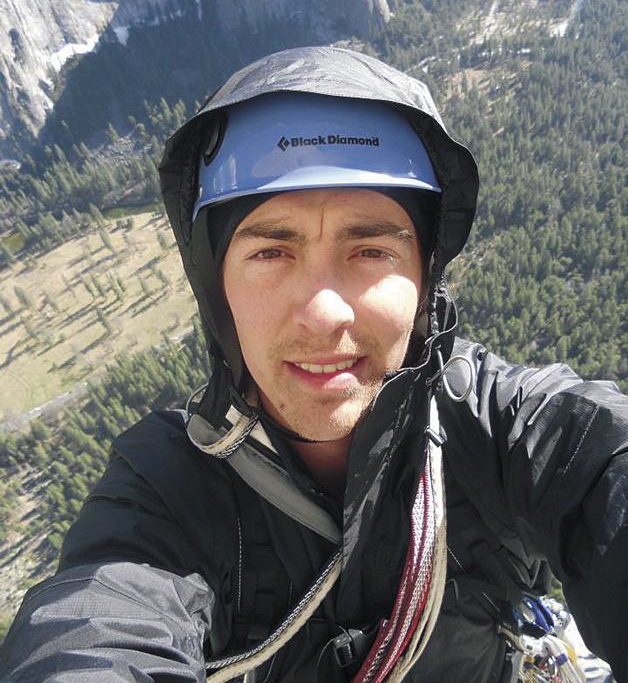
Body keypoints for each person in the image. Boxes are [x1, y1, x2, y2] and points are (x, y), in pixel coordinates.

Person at [0, 46, 626, 682]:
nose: (324, 313)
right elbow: (93, 630)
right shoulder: (165, 490)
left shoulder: (505, 429)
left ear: (424, 278)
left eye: (372, 250)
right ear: (218, 289)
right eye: (272, 252)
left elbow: (607, 467)